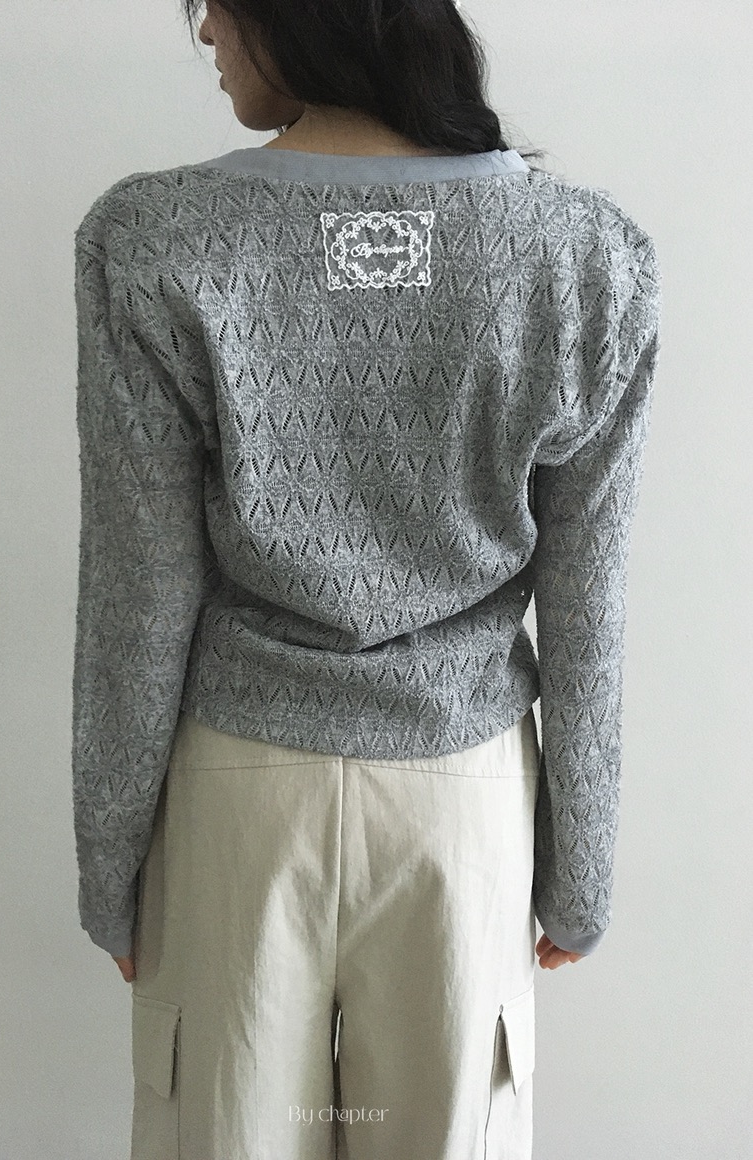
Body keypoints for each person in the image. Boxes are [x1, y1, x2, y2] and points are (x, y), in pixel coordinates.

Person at [70, 1, 661, 1156]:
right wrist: (579, 872)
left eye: (213, 7)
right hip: (463, 801)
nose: (206, 36)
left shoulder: (154, 240)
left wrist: (111, 862)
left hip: (237, 796)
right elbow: (588, 610)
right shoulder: (588, 257)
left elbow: (136, 599)